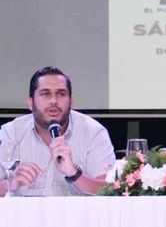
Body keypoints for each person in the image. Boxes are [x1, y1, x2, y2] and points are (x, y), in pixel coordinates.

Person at [0, 67, 115, 196]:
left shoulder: (93, 132)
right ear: (31, 103)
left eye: (61, 94)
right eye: (45, 94)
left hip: (76, 215)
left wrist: (75, 175)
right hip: (24, 215)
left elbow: (111, 189)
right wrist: (10, 183)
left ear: (71, 101)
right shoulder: (10, 133)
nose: (53, 101)